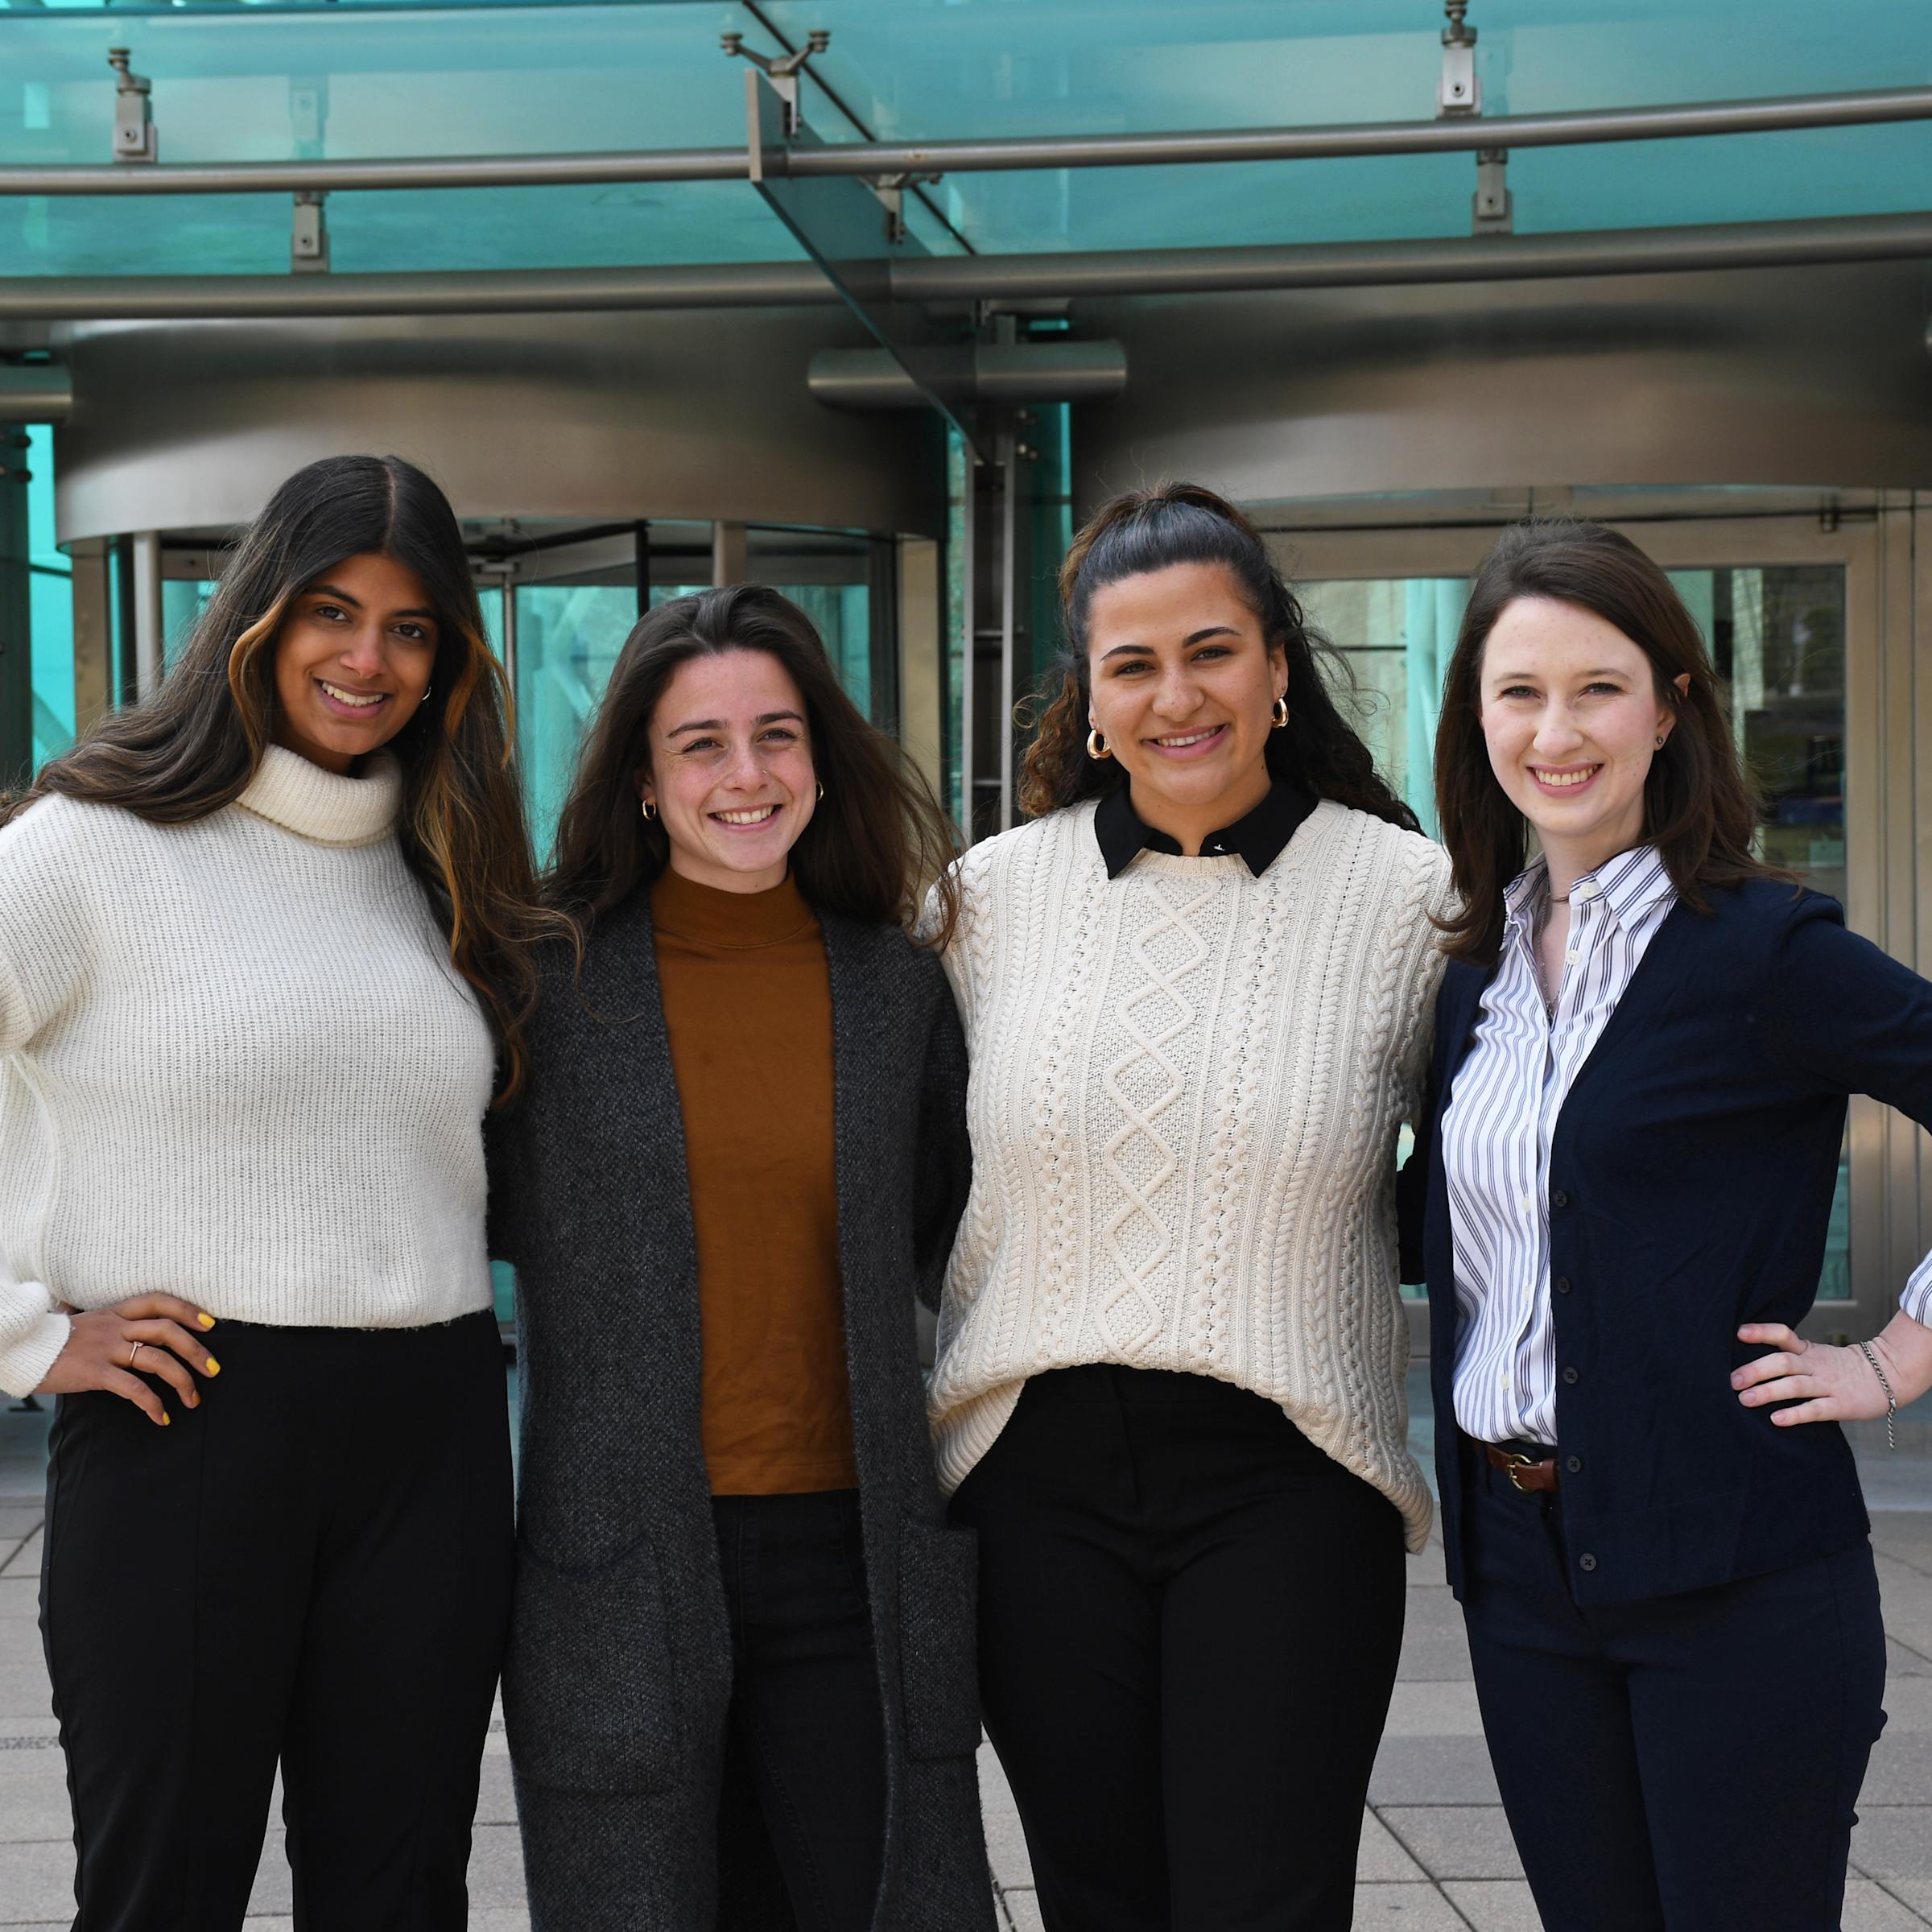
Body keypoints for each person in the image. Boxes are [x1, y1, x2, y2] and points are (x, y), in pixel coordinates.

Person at [0, 454, 558, 1930]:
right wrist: (23, 1337)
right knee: (161, 1894)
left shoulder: (444, 871)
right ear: (253, 616)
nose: (366, 658)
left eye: (411, 625)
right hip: (189, 1426)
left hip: (433, 1440)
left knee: (399, 1898)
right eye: (329, 611)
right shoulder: (89, 850)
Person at [931, 482, 1455, 1931]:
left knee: (1262, 1901)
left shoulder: (1411, 900)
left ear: (1279, 668)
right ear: (1090, 701)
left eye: (1212, 651)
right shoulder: (985, 901)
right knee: (1099, 1899)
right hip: (1032, 1478)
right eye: (1134, 664)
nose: (1180, 697)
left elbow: (1525, 1169)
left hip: (1291, 1474)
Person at [1410, 518, 1932, 1931]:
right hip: (1521, 1574)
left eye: (1599, 687)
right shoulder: (1473, 972)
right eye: (1520, 692)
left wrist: (1897, 1354)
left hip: (1738, 1576)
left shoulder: (1768, 949)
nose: (1557, 730)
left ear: (1670, 706)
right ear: (1478, 717)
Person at [488, 584, 994, 1932]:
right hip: (623, 1563)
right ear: (645, 783)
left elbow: (959, 1233)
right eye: (700, 744)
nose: (747, 774)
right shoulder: (549, 992)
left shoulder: (899, 991)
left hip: (858, 1560)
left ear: (822, 758)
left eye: (776, 734)